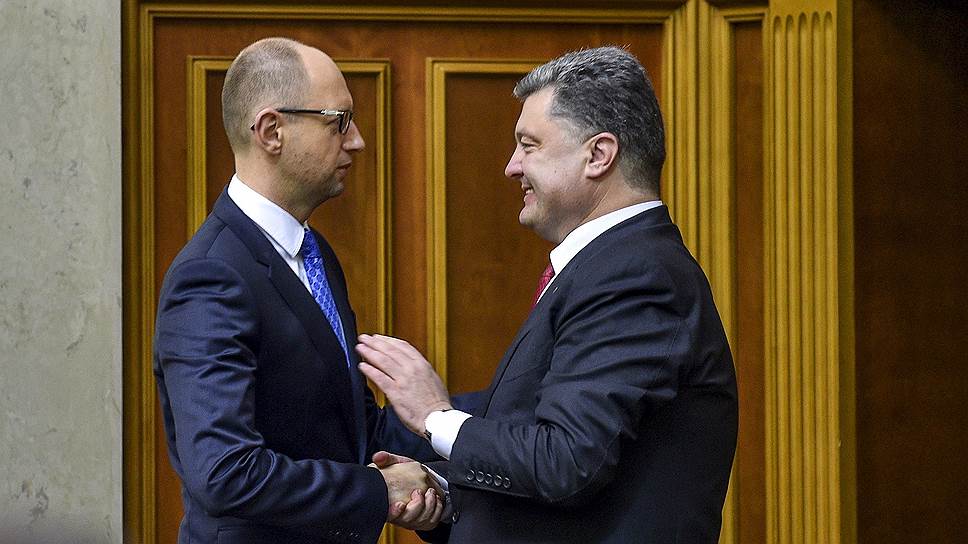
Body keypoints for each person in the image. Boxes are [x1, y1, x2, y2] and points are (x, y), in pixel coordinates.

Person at [356, 46, 738, 543]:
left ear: (598, 155)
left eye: (528, 145)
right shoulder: (608, 267)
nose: (512, 166)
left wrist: (435, 416)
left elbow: (566, 462)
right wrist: (445, 497)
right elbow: (556, 452)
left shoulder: (637, 276)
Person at [153, 37, 444, 544]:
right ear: (272, 131)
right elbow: (225, 472)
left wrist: (459, 423)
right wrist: (378, 490)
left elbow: (347, 432)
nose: (357, 141)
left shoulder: (315, 253)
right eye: (339, 121)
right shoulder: (210, 276)